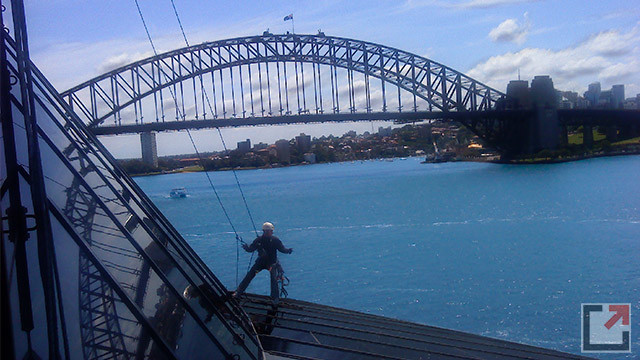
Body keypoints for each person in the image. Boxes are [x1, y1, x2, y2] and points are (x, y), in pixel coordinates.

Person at [233, 222, 293, 301]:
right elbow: (251, 249)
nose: (270, 232)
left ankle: (274, 298)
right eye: (269, 231)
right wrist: (246, 248)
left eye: (270, 231)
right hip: (263, 263)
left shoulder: (267, 240)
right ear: (265, 231)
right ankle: (239, 292)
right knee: (250, 275)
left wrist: (287, 251)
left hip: (271, 264)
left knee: (274, 281)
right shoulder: (262, 240)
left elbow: (282, 249)